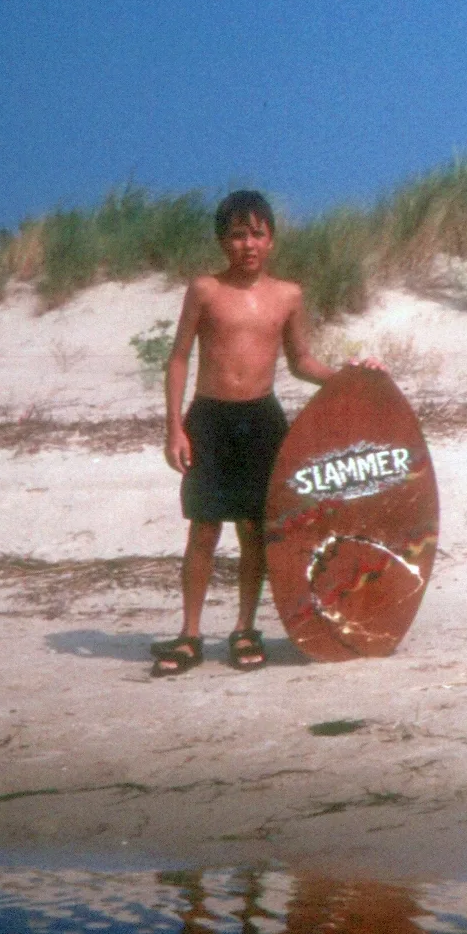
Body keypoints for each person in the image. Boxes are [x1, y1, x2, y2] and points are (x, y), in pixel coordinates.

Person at [151, 189, 363, 677]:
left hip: (262, 422)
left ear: (271, 240)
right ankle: (189, 633)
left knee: (253, 532)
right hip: (210, 420)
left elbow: (302, 361)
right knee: (203, 529)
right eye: (237, 234)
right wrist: (175, 428)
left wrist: (350, 375)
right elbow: (179, 357)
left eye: (257, 234)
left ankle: (245, 628)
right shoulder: (205, 290)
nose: (247, 244)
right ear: (223, 240)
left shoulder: (288, 295)